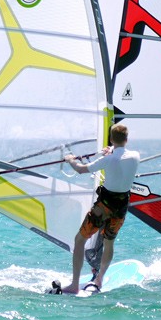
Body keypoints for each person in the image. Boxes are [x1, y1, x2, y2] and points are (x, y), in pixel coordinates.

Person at [60, 124, 141, 294]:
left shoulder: (108, 160)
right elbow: (120, 155)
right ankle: (100, 280)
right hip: (121, 206)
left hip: (104, 206)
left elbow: (81, 169)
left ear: (111, 139)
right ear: (127, 139)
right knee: (109, 243)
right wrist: (111, 150)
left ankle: (74, 285)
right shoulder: (135, 156)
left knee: (80, 240)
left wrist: (70, 160)